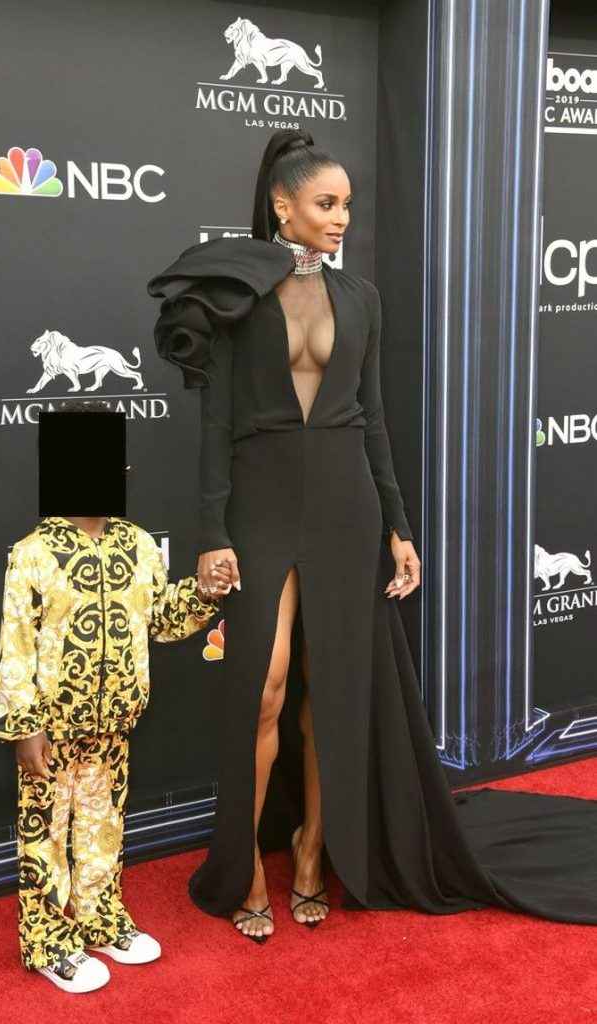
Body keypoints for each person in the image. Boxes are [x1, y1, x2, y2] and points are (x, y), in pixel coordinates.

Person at [147, 128, 597, 943]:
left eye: (347, 205)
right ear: (281, 205)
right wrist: (211, 532)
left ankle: (312, 852)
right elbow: (213, 425)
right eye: (325, 203)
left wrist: (398, 527)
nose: (340, 218)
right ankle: (243, 868)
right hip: (259, 503)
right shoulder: (232, 297)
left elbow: (373, 421)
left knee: (333, 692)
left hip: (346, 505)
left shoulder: (359, 298)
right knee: (263, 689)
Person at [0, 402, 230, 992]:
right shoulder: (32, 553)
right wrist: (24, 726)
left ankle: (99, 919)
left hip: (113, 725)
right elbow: (15, 646)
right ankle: (49, 941)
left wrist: (203, 592)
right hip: (50, 729)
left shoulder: (138, 545)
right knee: (45, 836)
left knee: (103, 828)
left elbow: (162, 619)